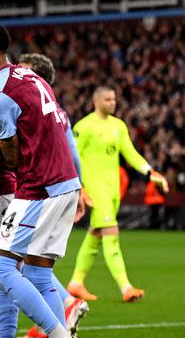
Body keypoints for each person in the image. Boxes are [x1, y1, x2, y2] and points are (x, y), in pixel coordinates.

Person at [0, 23, 87, 338]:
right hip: (66, 183)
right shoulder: (28, 75)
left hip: (39, 188)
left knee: (0, 269)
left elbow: (12, 155)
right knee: (37, 272)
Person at [67, 85, 169, 302]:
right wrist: (81, 188)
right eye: (107, 99)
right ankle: (125, 287)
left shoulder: (118, 126)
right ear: (96, 101)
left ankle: (76, 282)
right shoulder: (84, 127)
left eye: (114, 99)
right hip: (95, 191)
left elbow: (130, 153)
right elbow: (71, 159)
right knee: (111, 234)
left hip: (114, 191)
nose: (112, 103)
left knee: (95, 235)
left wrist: (150, 172)